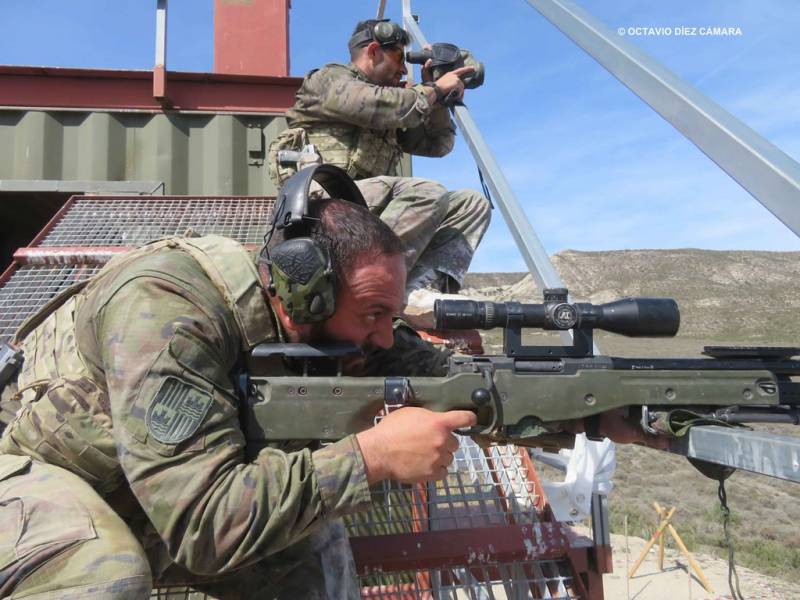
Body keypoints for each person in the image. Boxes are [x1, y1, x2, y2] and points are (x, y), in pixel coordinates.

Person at [0, 166, 477, 599]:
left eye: (391, 314)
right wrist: (371, 456)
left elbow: (418, 364)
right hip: (40, 485)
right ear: (307, 294)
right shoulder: (166, 308)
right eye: (373, 313)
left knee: (313, 551)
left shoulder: (319, 314)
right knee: (105, 574)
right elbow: (203, 528)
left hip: (154, 489)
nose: (384, 334)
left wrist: (493, 399)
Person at [268, 19, 492, 325]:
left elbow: (437, 144)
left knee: (471, 204)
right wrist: (432, 91)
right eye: (398, 57)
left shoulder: (396, 102)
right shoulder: (328, 80)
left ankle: (412, 291)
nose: (403, 69)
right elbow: (379, 106)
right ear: (373, 51)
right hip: (325, 208)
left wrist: (438, 99)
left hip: (369, 210)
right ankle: (365, 280)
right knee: (427, 192)